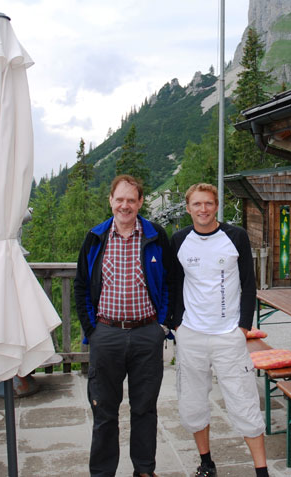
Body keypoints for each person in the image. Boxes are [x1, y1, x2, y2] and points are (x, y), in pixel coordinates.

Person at [74, 174, 176, 477]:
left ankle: (144, 470)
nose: (125, 205)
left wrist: (162, 325)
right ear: (111, 200)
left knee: (145, 408)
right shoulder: (95, 237)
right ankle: (103, 473)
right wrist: (93, 329)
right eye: (119, 199)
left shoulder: (156, 235)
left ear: (141, 202)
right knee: (104, 411)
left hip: (147, 334)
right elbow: (81, 286)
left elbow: (171, 282)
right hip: (106, 334)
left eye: (131, 199)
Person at [170, 182, 268, 477]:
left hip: (229, 336)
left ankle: (261, 471)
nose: (203, 209)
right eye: (197, 204)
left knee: (244, 401)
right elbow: (174, 284)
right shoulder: (179, 240)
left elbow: (249, 285)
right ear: (188, 208)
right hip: (191, 335)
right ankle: (206, 462)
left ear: (216, 206)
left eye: (209, 203)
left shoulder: (235, 236)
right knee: (193, 402)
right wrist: (177, 325)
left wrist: (242, 328)